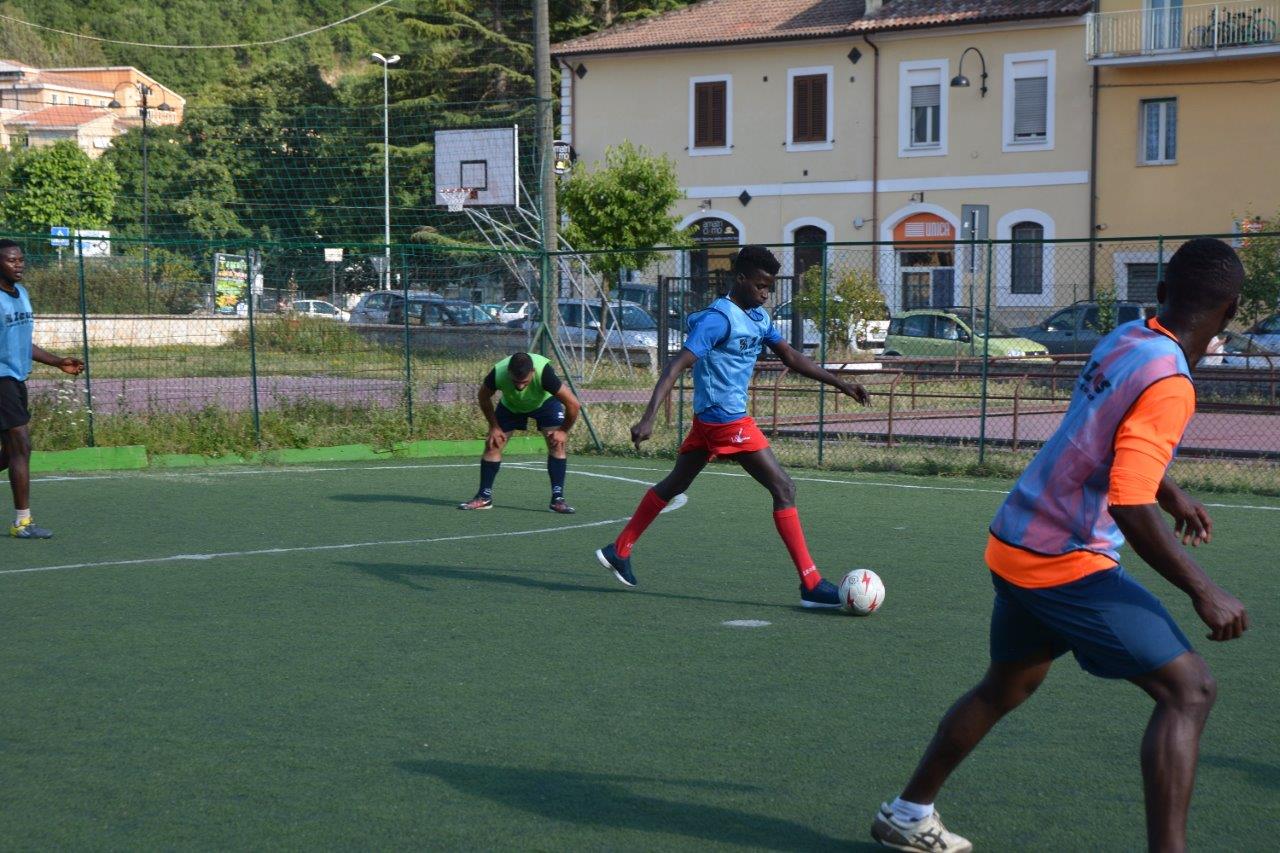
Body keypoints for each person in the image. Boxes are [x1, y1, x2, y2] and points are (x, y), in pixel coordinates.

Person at [870, 238, 1250, 853]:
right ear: (1230, 311)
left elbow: (1105, 434)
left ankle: (907, 813)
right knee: (1190, 690)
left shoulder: (1127, 338)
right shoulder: (1172, 382)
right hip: (1062, 559)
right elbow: (1128, 503)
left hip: (1015, 538)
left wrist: (1170, 490)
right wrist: (1204, 591)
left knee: (1007, 686)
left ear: (1160, 294)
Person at [594, 245, 870, 607]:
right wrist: (648, 417)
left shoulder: (757, 317)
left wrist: (841, 383)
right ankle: (811, 583)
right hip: (726, 420)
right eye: (760, 285)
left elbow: (791, 356)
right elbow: (675, 365)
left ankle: (620, 549)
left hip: (710, 421)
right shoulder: (718, 319)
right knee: (784, 487)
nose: (766, 294)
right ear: (739, 279)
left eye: (770, 287)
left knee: (676, 483)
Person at [0, 240, 85, 539]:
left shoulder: (22, 294)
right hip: (1, 381)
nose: (19, 264)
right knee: (21, 446)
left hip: (16, 380)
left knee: (11, 452)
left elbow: (23, 341)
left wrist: (57, 361)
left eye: (21, 259)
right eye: (11, 260)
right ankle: (22, 522)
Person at [459, 351, 581, 514]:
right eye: (516, 381)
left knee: (557, 444)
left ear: (533, 372)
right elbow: (483, 397)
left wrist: (563, 431)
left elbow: (574, 404)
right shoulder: (498, 373)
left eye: (525, 382)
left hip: (544, 403)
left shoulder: (545, 374)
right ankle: (484, 497)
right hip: (511, 405)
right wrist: (494, 426)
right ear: (508, 372)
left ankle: (557, 499)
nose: (520, 386)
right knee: (493, 444)